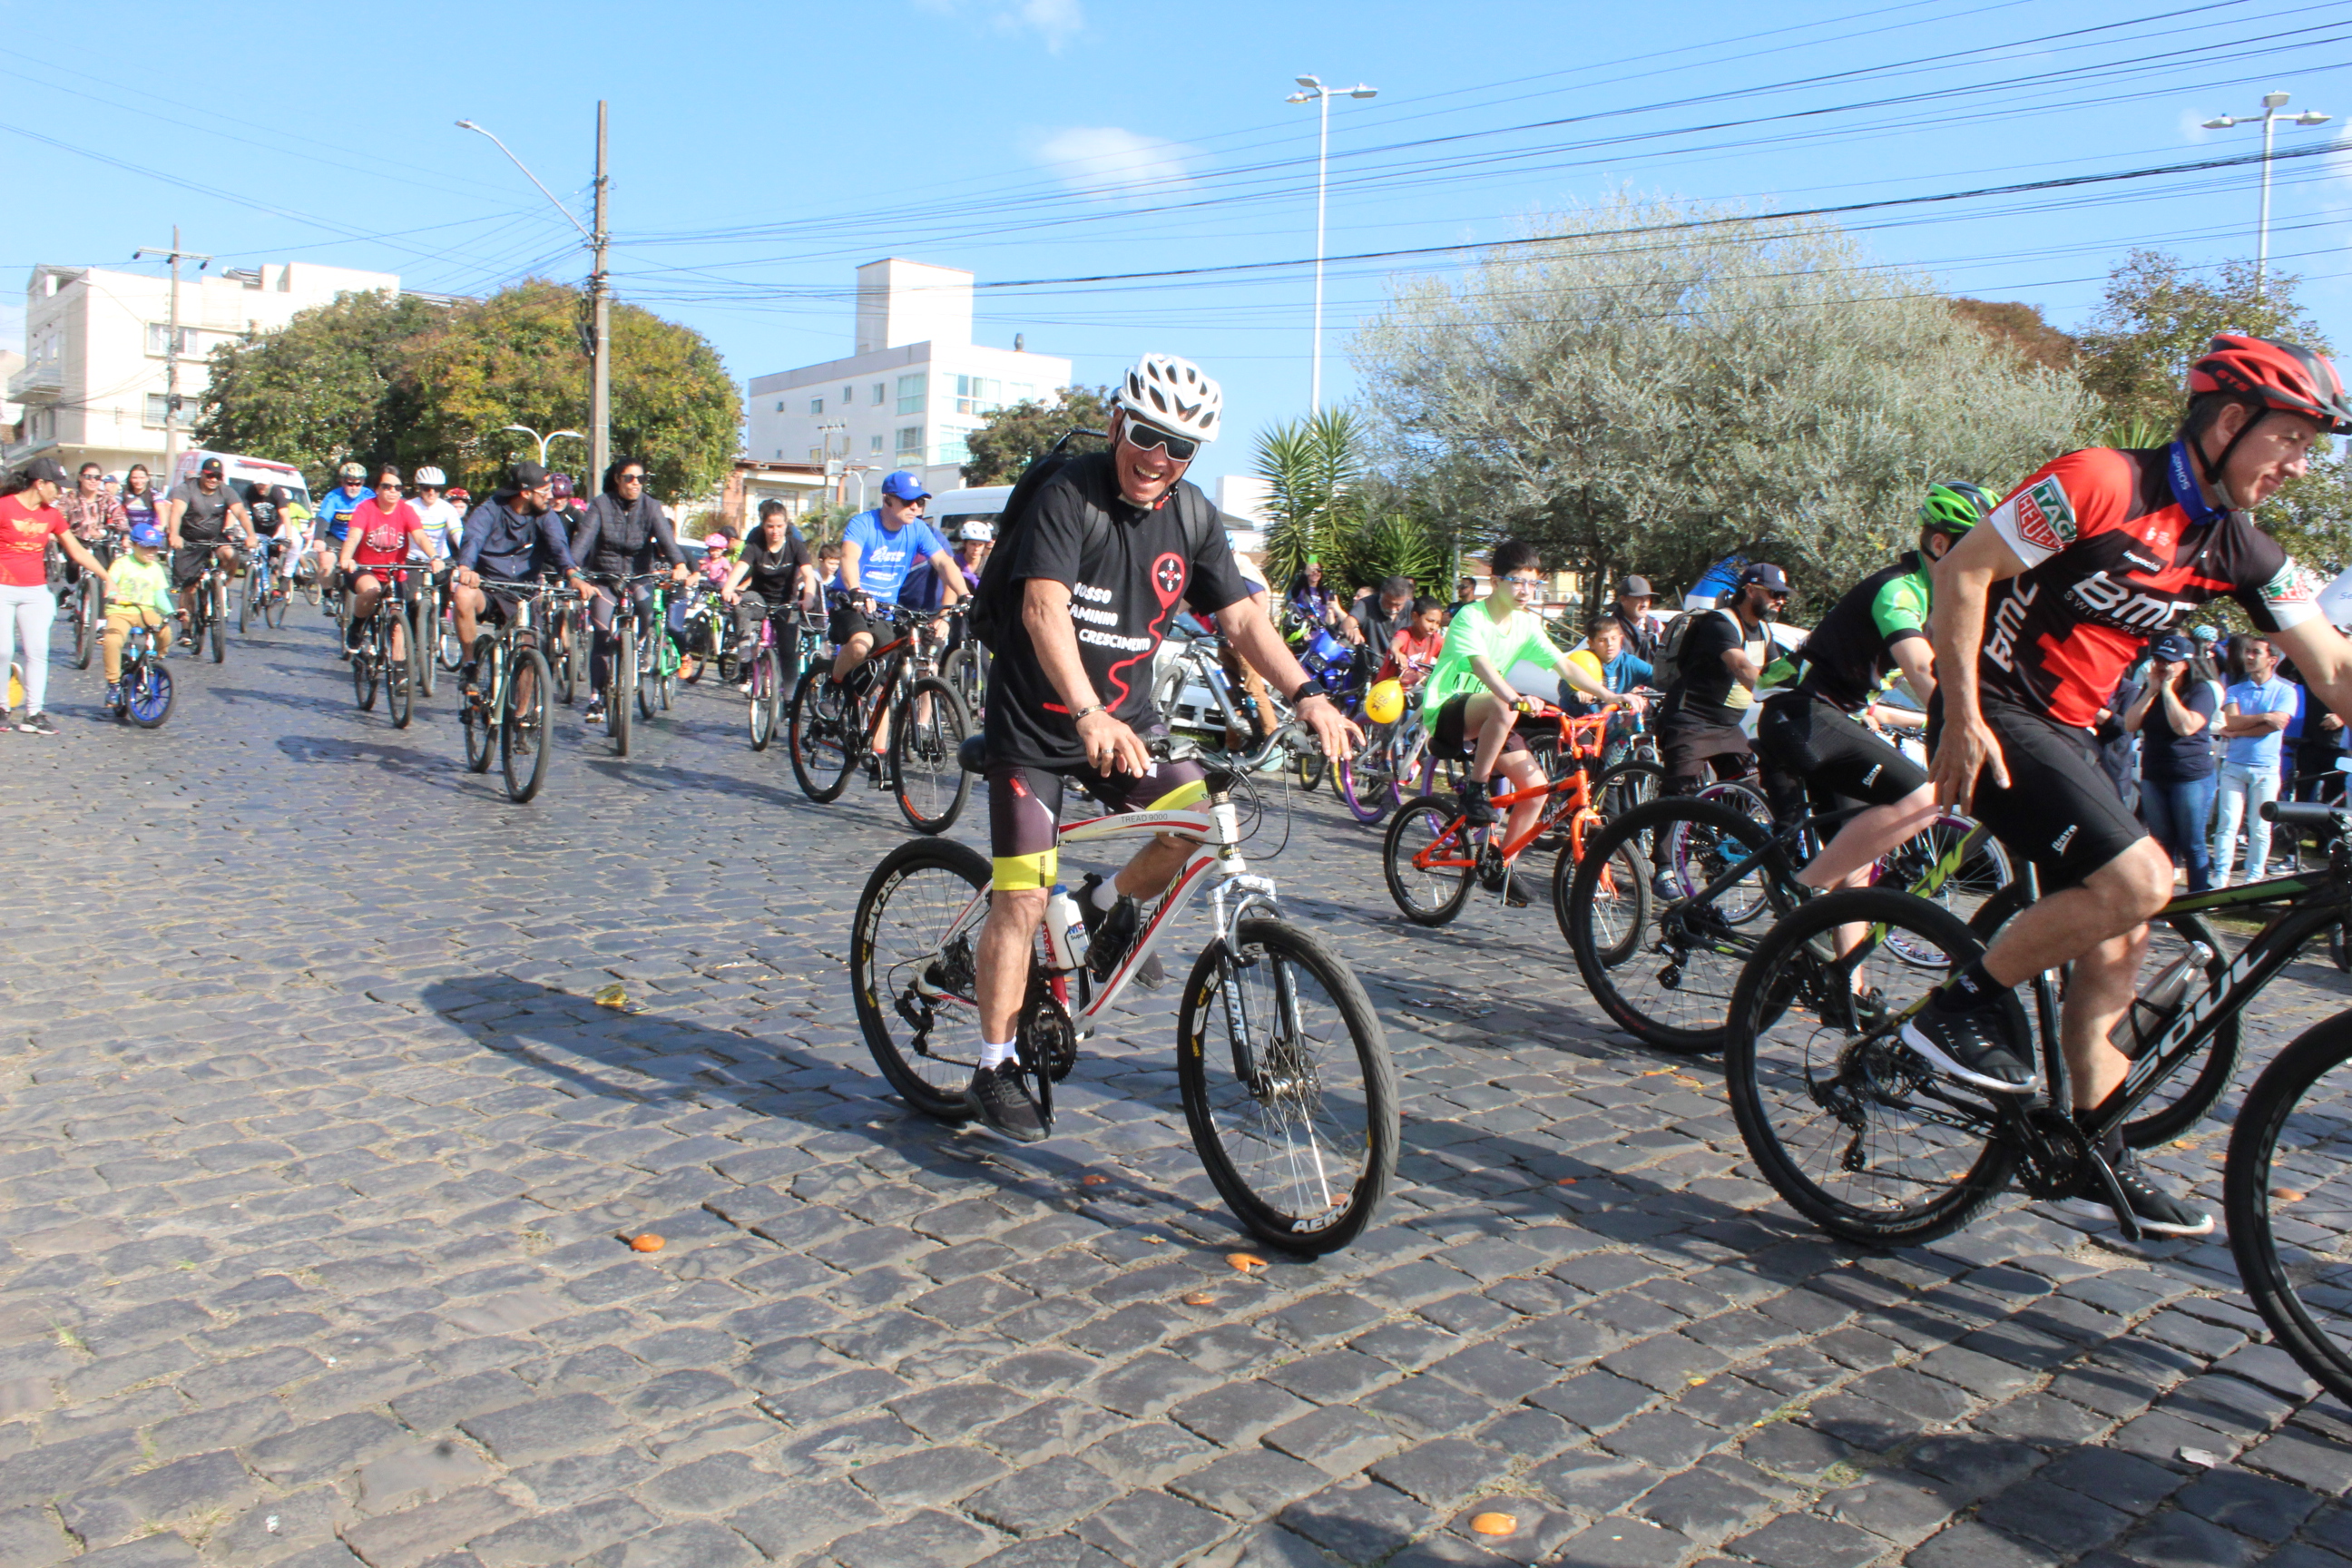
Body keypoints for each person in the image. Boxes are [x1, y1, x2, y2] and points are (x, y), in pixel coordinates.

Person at [1921, 333, 2352, 1238]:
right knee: (2141, 881)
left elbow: (2336, 672)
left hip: (2073, 736)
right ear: (2231, 421)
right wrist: (1960, 717)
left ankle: (2093, 1145)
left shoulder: (2237, 545)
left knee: (2123, 938)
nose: (2299, 466)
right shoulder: (2101, 482)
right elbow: (1964, 570)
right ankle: (1957, 1006)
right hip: (1997, 713)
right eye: (2291, 440)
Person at [961, 352, 1357, 1142]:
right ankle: (993, 1062)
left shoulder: (1194, 516)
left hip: (1127, 728)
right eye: (1147, 435)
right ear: (1117, 423)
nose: (1159, 459)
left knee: (1200, 817)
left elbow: (1242, 620)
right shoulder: (1066, 493)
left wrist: (1309, 695)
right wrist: (1085, 713)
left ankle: (1106, 909)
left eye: (1181, 448)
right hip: (1038, 728)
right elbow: (1042, 611)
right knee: (1023, 898)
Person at [1420, 539, 1640, 887]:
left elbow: (1565, 665)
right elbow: (1481, 667)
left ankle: (1500, 868)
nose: (1527, 591)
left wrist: (1609, 694)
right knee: (1502, 705)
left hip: (1493, 715)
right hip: (1448, 709)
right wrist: (1513, 697)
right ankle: (1475, 790)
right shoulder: (1471, 617)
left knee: (1536, 788)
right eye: (1518, 581)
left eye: (1533, 583)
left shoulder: (1525, 625)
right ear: (1495, 582)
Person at [828, 471, 962, 717]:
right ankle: (832, 685)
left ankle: (875, 745)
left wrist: (964, 595)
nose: (914, 507)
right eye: (907, 501)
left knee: (882, 674)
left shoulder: (919, 530)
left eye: (919, 502)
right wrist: (856, 589)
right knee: (861, 645)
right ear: (887, 499)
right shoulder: (863, 523)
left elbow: (944, 563)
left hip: (885, 610)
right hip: (850, 601)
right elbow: (849, 557)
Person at [569, 458, 690, 728]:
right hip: (604, 575)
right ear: (617, 479)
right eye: (629, 478)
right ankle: (596, 696)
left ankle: (638, 645)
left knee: (647, 610)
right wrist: (572, 569)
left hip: (639, 574)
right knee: (600, 633)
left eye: (641, 479)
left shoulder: (651, 506)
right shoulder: (601, 504)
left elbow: (666, 539)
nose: (636, 483)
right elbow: (584, 540)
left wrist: (679, 564)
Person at [450, 462, 594, 682]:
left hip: (525, 592)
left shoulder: (546, 515)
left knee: (529, 648)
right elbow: (473, 538)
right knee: (462, 594)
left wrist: (574, 576)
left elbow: (559, 548)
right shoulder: (490, 509)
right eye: (545, 491)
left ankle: (523, 715)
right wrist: (466, 568)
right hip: (489, 587)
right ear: (525, 493)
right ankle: (469, 664)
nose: (551, 496)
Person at [1654, 562, 1788, 799]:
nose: (1780, 601)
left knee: (1749, 796)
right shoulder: (1721, 623)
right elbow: (1741, 666)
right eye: (1774, 594)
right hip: (1690, 724)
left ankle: (1723, 833)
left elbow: (1778, 672)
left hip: (1727, 728)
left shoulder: (1764, 630)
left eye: (1784, 596)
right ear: (1751, 590)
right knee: (1679, 801)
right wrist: (1774, 697)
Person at [2, 457, 110, 733]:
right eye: (56, 486)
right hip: (2, 588)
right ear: (40, 484)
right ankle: (2, 707)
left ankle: (34, 713)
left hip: (35, 591)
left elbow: (76, 550)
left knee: (38, 652)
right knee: (3, 651)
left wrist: (107, 576)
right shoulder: (5, 506)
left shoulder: (51, 514)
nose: (60, 492)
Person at [2125, 632, 2219, 891]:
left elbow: (2186, 727)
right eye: (2158, 660)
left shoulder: (2201, 690)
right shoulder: (2149, 688)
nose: (2163, 666)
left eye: (2170, 661)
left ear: (2185, 663)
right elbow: (2130, 723)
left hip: (2190, 776)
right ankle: (2163, 903)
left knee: (2192, 843)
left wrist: (2167, 691)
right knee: (2161, 841)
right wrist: (2152, 691)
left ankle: (2198, 902)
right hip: (2155, 774)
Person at [2210, 632, 2298, 884]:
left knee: (2260, 828)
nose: (2248, 657)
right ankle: (2220, 876)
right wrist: (2263, 717)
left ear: (2272, 660)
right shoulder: (2236, 688)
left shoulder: (2285, 691)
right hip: (2234, 766)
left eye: (2255, 653)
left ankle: (2253, 878)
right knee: (2227, 824)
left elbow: (2277, 725)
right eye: (2247, 651)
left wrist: (2239, 731)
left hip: (2267, 768)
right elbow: (2231, 720)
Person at [336, 466, 434, 659]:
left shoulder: (406, 510)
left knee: (399, 621)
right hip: (364, 569)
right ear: (377, 489)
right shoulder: (365, 508)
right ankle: (356, 626)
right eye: (387, 486)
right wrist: (346, 558)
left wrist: (434, 557)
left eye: (397, 488)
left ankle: (399, 676)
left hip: (394, 572)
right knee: (372, 591)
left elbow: (420, 537)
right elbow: (354, 536)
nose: (393, 491)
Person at [722, 501, 819, 691]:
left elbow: (809, 575)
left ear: (786, 525)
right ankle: (745, 657)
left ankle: (790, 697)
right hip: (759, 598)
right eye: (770, 526)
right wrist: (728, 589)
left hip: (786, 601)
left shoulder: (795, 546)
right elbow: (740, 569)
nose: (775, 531)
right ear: (763, 526)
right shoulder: (754, 546)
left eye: (780, 526)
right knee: (740, 604)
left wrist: (808, 597)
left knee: (788, 652)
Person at [162, 456, 250, 641]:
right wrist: (174, 535)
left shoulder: (225, 491)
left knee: (230, 554)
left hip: (214, 537)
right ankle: (186, 630)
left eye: (217, 476)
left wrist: (252, 535)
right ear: (202, 474)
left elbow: (240, 511)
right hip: (189, 539)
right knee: (189, 587)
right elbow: (176, 512)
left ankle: (222, 587)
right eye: (210, 475)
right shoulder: (186, 489)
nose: (213, 480)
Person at [100, 521, 178, 705]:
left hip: (145, 610)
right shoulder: (122, 564)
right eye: (146, 548)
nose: (151, 552)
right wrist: (113, 595)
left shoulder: (156, 569)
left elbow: (160, 597)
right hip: (121, 611)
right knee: (112, 640)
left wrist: (173, 612)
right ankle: (113, 684)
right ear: (133, 545)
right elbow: (110, 585)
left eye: (155, 548)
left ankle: (156, 660)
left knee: (164, 630)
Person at [310, 462, 372, 612]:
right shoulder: (333, 497)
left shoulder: (369, 496)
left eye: (358, 483)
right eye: (350, 483)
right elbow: (323, 519)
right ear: (342, 482)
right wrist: (318, 538)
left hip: (360, 539)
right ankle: (328, 595)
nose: (354, 487)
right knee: (326, 562)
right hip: (337, 537)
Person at [1379, 595, 1447, 693]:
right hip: (1388, 689)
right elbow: (1395, 643)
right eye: (1430, 621)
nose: (1434, 627)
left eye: (1438, 623)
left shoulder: (1434, 639)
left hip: (1413, 690)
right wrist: (1397, 652)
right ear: (1415, 616)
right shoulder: (1406, 634)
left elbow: (1451, 651)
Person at [60, 461, 127, 555]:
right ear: (80, 477)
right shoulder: (69, 497)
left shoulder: (106, 497)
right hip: (74, 545)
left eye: (97, 478)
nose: (93, 480)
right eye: (88, 477)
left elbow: (120, 518)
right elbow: (58, 518)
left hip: (99, 544)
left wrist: (125, 536)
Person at [1349, 575, 1415, 660]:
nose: (1393, 609)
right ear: (1381, 594)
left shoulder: (1413, 610)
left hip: (1401, 670)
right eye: (1388, 603)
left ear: (1406, 599)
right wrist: (1353, 629)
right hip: (1369, 668)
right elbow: (1349, 621)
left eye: (1398, 605)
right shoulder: (1367, 603)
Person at [1612, 574, 1662, 662]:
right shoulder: (1610, 628)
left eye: (1647, 599)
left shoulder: (1657, 626)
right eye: (1639, 598)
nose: (1644, 604)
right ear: (1623, 600)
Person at [119, 466, 161, 535]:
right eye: (135, 478)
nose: (139, 481)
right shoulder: (123, 492)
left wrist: (161, 525)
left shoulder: (154, 493)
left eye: (142, 478)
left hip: (148, 533)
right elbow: (116, 506)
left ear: (147, 478)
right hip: (129, 532)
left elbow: (160, 507)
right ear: (130, 479)